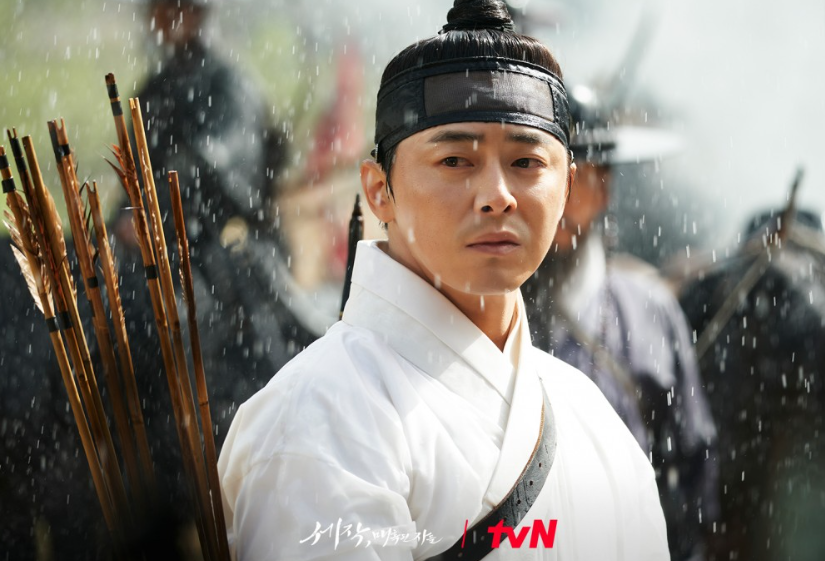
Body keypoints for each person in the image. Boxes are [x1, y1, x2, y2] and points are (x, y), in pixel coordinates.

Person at [218, 1, 669, 559]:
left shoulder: (591, 414)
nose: (497, 196)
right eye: (455, 161)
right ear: (379, 189)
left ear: (568, 188)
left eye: (526, 163)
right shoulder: (321, 418)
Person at [522, 85, 718, 561]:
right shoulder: (474, 306)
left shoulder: (650, 312)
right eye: (537, 171)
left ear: (604, 187)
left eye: (579, 177)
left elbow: (693, 466)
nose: (561, 199)